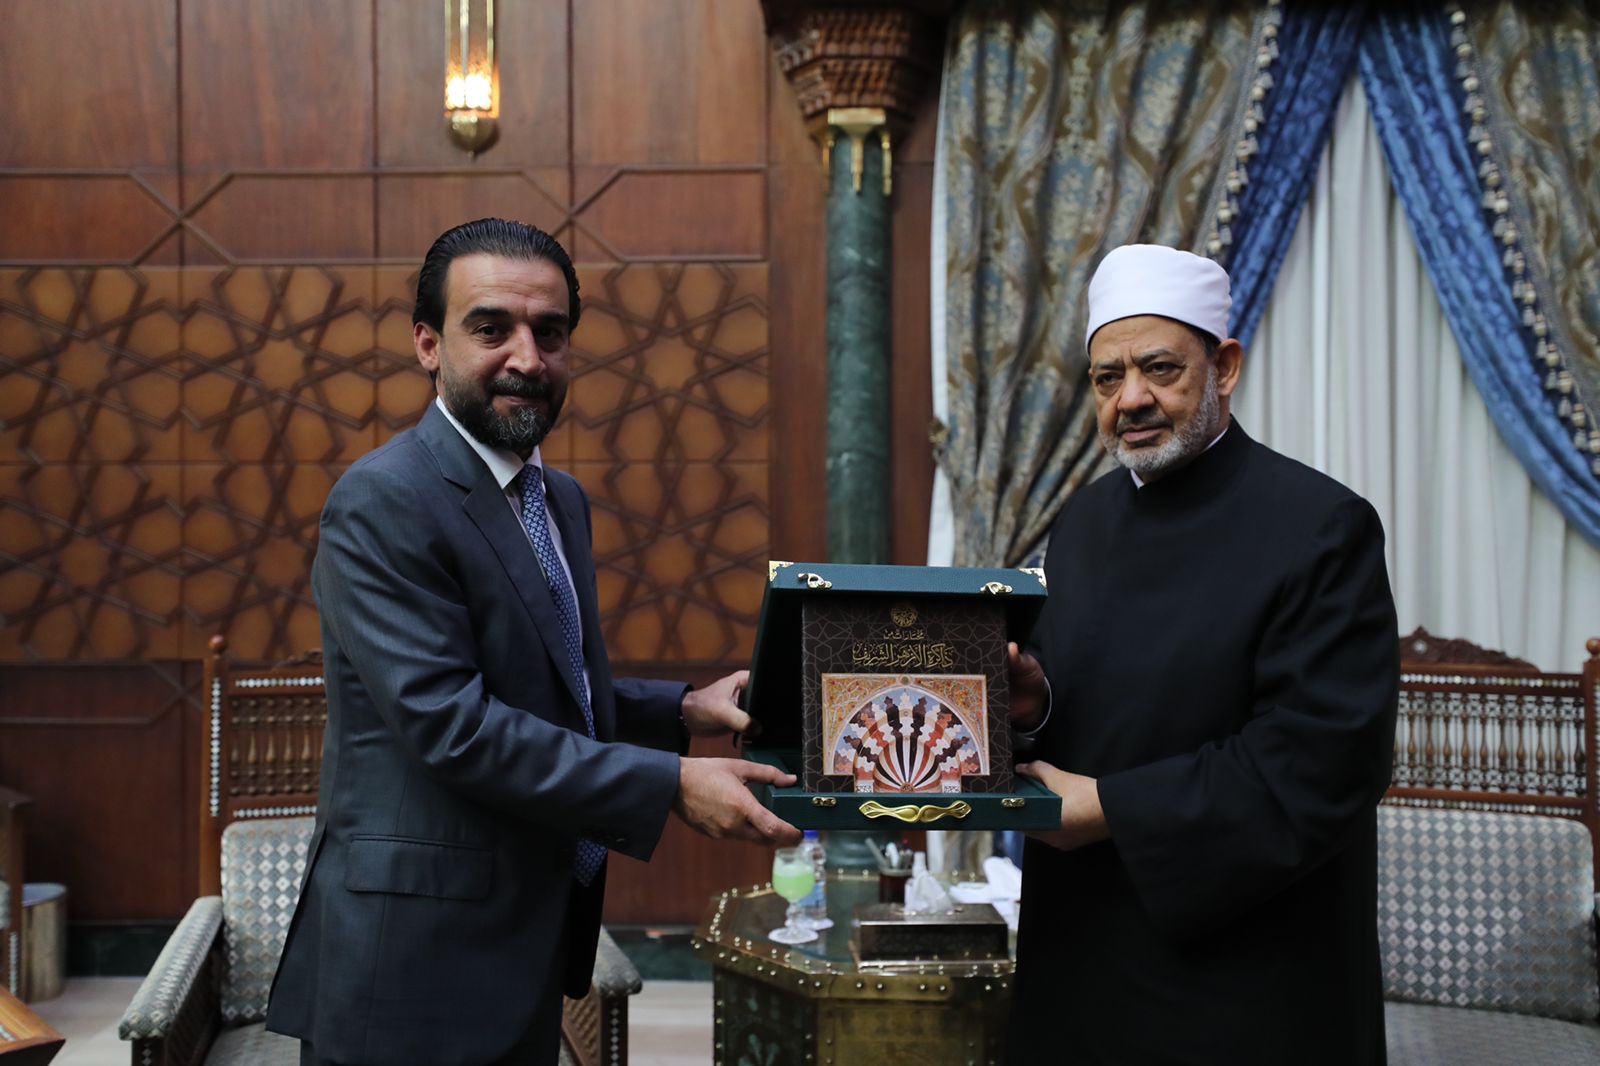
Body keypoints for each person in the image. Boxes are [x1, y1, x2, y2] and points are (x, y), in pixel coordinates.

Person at [265, 218, 801, 1066]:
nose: (528, 358)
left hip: (526, 941)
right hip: (410, 965)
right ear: (428, 344)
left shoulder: (559, 499)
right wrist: (667, 782)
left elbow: (542, 686)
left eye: (550, 333)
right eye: (492, 329)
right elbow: (455, 725)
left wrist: (684, 711)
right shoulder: (383, 500)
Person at [1005, 244, 1399, 1064]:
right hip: (1078, 956)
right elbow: (1077, 695)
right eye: (1108, 378)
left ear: (1224, 368)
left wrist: (1109, 809)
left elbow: (1324, 759)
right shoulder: (1081, 522)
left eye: (1159, 368)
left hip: (1247, 981)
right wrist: (1034, 703)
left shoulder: (1322, 526)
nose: (1132, 399)